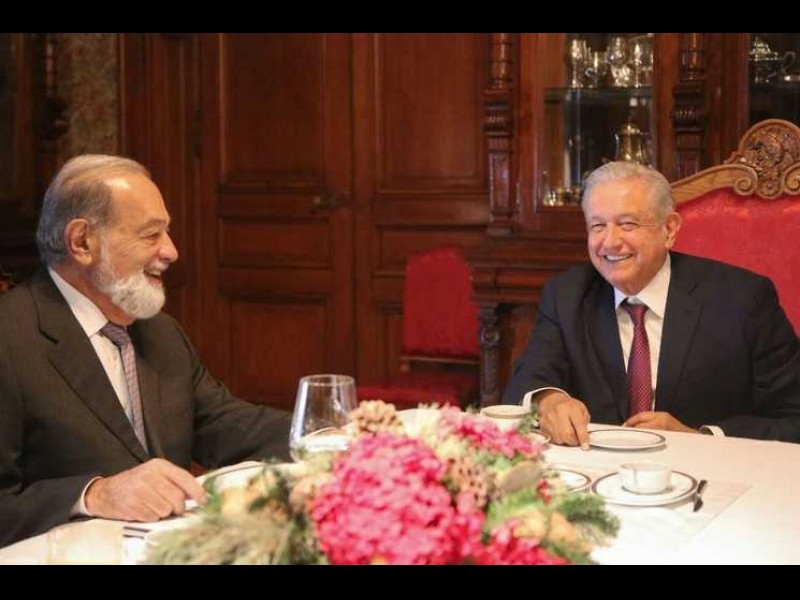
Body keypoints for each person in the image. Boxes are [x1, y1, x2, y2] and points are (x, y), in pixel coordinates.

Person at [0, 155, 292, 547]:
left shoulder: (159, 331)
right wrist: (94, 495)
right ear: (82, 242)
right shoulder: (10, 340)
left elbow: (223, 424)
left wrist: (332, 434)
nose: (171, 251)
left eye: (166, 233)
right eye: (151, 235)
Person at [503, 161, 800, 447]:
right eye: (597, 226)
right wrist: (548, 400)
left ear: (669, 229)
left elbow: (792, 416)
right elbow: (527, 380)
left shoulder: (743, 299)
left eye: (627, 224)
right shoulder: (566, 295)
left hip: (708, 471)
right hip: (597, 470)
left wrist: (698, 437)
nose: (610, 242)